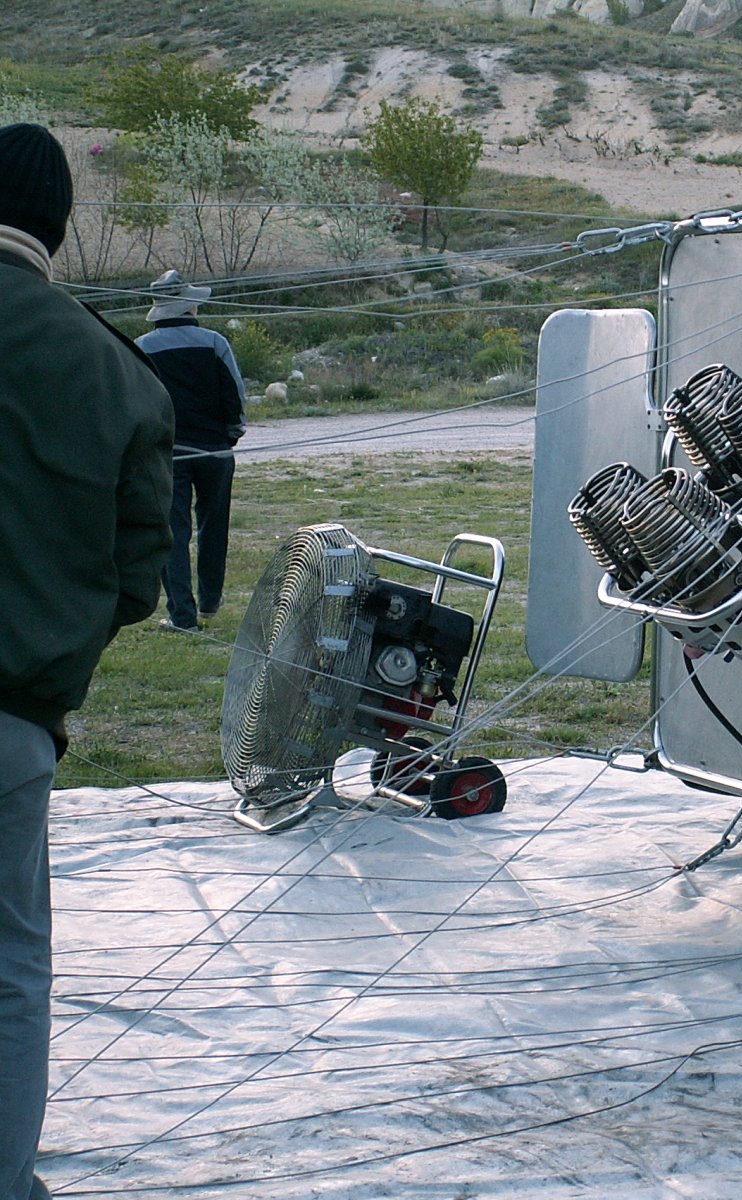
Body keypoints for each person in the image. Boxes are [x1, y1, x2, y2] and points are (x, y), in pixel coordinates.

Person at [0, 123, 174, 1200]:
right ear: (60, 229)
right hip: (15, 717)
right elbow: (138, 579)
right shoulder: (117, 371)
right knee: (12, 975)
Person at [136, 269, 247, 632]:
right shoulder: (215, 342)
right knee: (214, 527)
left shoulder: (142, 348)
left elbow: (139, 404)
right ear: (189, 308)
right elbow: (235, 395)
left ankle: (182, 616)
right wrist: (230, 435)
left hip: (169, 453)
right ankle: (211, 602)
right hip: (215, 452)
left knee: (174, 532)